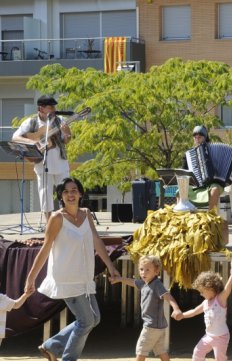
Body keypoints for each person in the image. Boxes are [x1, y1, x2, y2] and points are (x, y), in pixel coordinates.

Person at [24, 177, 120, 361]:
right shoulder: (57, 218)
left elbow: (96, 241)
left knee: (95, 319)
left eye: (74, 190)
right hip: (66, 278)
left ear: (80, 193)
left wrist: (111, 266)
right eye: (66, 191)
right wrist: (31, 278)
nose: (70, 194)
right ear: (61, 196)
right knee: (86, 321)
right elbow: (45, 249)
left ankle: (51, 346)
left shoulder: (86, 214)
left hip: (84, 277)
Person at [109, 255, 182, 361]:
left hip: (151, 326)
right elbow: (132, 281)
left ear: (156, 271)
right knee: (161, 351)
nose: (143, 272)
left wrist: (176, 308)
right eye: (141, 269)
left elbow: (168, 296)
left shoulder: (157, 284)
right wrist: (119, 279)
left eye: (147, 270)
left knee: (141, 350)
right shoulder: (144, 283)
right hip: (159, 326)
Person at [12, 95, 72, 222]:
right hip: (42, 163)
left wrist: (67, 133)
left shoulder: (60, 120)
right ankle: (49, 223)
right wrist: (32, 142)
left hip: (60, 163)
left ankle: (67, 221)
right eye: (51, 106)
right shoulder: (31, 122)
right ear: (42, 108)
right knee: (45, 193)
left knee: (66, 192)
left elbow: (66, 140)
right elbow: (15, 137)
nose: (54, 108)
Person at [179, 257, 232, 361]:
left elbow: (228, 286)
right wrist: (182, 315)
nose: (201, 294)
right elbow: (194, 312)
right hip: (208, 336)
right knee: (197, 352)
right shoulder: (205, 303)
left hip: (221, 337)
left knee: (220, 358)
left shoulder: (220, 299)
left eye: (202, 291)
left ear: (211, 288)